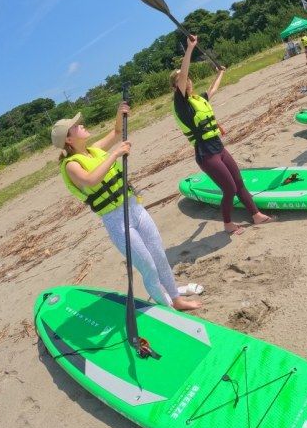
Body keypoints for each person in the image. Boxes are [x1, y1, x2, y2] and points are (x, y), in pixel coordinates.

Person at [53, 105, 201, 311]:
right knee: (148, 265)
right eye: (76, 127)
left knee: (158, 254)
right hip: (116, 220)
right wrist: (114, 155)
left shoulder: (94, 150)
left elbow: (116, 132)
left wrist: (119, 112)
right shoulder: (71, 165)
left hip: (134, 209)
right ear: (68, 140)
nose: (81, 125)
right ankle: (165, 306)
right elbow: (90, 180)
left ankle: (176, 299)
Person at [171, 35, 273, 235]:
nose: (187, 80)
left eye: (188, 79)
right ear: (176, 87)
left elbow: (212, 90)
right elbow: (183, 74)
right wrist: (190, 48)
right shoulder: (180, 103)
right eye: (182, 80)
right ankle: (227, 224)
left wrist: (220, 74)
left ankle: (256, 215)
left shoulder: (197, 100)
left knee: (239, 183)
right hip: (206, 154)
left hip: (219, 147)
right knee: (229, 189)